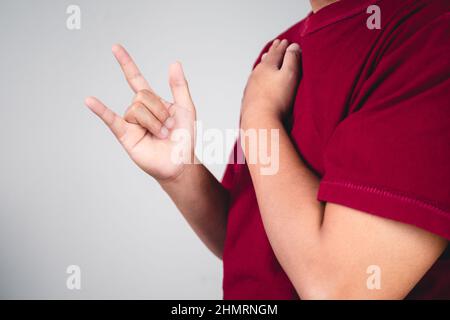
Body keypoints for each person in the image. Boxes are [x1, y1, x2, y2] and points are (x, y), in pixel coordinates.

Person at [85, 0, 450, 299]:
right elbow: (252, 239)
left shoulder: (432, 35)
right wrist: (182, 173)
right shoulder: (281, 51)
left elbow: (340, 291)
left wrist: (260, 114)